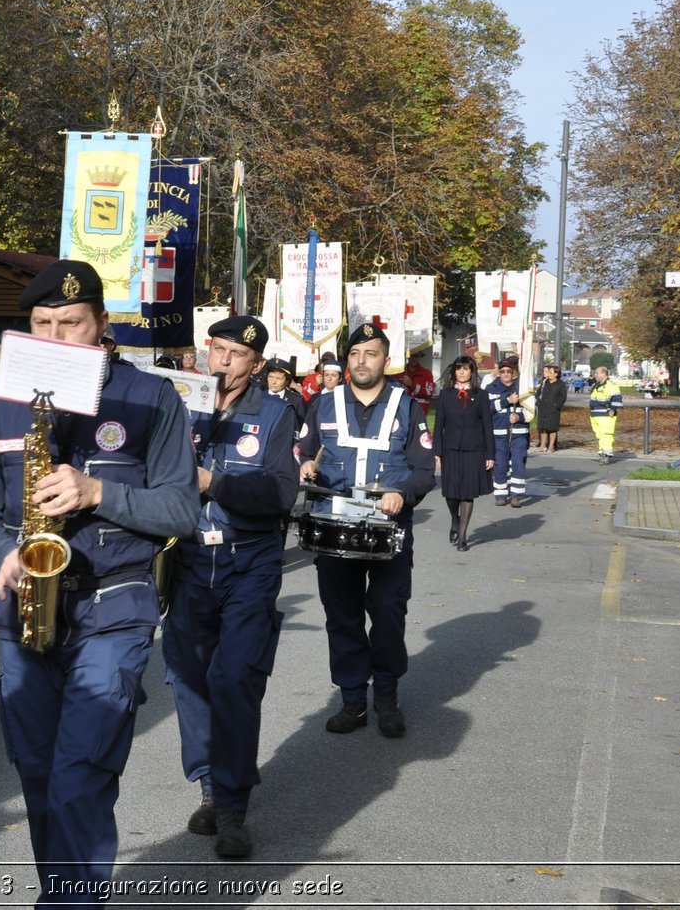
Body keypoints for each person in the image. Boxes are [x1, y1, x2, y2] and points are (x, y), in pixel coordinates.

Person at [0, 259, 197, 902]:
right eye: (41, 324)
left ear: (101, 324)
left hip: (113, 604)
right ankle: (64, 890)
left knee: (79, 772)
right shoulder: (4, 398)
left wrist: (98, 491)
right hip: (26, 606)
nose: (55, 337)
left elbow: (180, 509)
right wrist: (3, 552)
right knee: (36, 772)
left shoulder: (151, 398)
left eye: (70, 324)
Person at [162, 317, 297, 860]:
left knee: (235, 676)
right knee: (190, 678)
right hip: (189, 559)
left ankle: (235, 806)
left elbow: (280, 493)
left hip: (249, 560)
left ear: (256, 364)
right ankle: (210, 786)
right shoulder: (180, 406)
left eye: (237, 354)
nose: (223, 361)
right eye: (217, 349)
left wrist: (213, 483)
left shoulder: (275, 414)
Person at [298, 323, 435, 738]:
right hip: (334, 528)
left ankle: (388, 697)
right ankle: (353, 700)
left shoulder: (407, 407)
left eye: (370, 353)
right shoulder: (321, 404)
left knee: (388, 614)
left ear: (385, 359)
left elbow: (425, 470)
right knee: (342, 617)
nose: (361, 361)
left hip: (388, 529)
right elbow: (300, 452)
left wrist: (403, 494)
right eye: (354, 353)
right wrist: (303, 466)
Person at [433, 356, 494, 551]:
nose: (461, 372)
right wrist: (437, 452)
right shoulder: (445, 394)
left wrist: (490, 455)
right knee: (451, 493)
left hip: (474, 450)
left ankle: (463, 535)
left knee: (467, 493)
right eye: (458, 368)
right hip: (450, 449)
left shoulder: (481, 395)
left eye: (465, 369)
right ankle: (454, 518)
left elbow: (487, 426)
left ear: (472, 372)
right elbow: (438, 425)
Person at [484, 357, 532, 507]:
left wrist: (519, 417)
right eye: (502, 371)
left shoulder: (523, 388)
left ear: (514, 373)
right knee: (500, 465)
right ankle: (500, 494)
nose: (505, 374)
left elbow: (531, 411)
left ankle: (516, 495)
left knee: (518, 463)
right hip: (498, 434)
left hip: (519, 433)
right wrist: (507, 401)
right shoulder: (491, 388)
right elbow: (488, 409)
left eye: (508, 371)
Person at [588, 366, 624, 464]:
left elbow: (617, 398)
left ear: (604, 374)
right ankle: (602, 454)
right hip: (595, 414)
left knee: (606, 434)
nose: (595, 375)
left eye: (597, 373)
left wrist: (612, 410)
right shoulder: (597, 385)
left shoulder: (610, 385)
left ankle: (607, 455)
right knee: (600, 435)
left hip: (605, 415)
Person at [264, 355, 308, 429]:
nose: (273, 382)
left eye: (278, 378)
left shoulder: (296, 400)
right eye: (271, 377)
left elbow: (302, 427)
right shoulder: (259, 396)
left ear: (287, 381)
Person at [535, 363, 567, 453]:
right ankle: (543, 445)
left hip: (553, 410)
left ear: (556, 374)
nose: (548, 373)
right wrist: (538, 403)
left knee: (552, 428)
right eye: (548, 372)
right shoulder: (546, 382)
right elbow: (539, 393)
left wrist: (556, 406)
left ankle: (551, 446)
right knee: (543, 427)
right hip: (543, 408)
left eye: (550, 372)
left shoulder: (560, 384)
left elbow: (563, 397)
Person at [402, 350, 437, 417]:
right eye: (412, 356)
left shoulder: (426, 374)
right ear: (408, 356)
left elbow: (429, 393)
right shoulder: (400, 373)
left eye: (416, 356)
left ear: (420, 357)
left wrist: (412, 385)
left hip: (420, 413)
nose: (414, 358)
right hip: (403, 412)